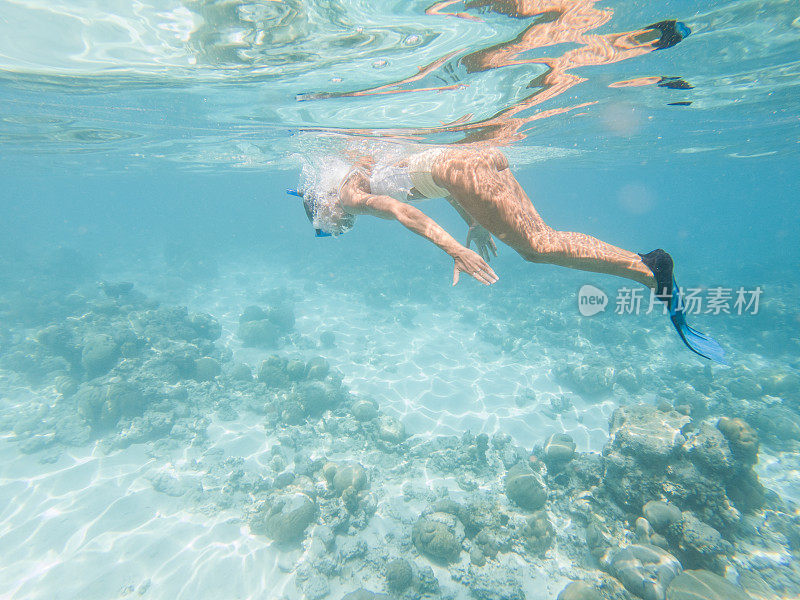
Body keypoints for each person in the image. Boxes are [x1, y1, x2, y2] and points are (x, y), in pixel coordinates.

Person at [289, 146, 726, 364]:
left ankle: (647, 269)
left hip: (469, 173)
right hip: (475, 166)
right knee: (540, 239)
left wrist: (454, 248)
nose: (337, 227)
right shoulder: (356, 168)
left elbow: (401, 208)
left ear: (321, 202)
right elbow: (431, 176)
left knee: (538, 247)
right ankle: (647, 267)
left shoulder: (348, 194)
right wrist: (474, 220)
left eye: (326, 224)